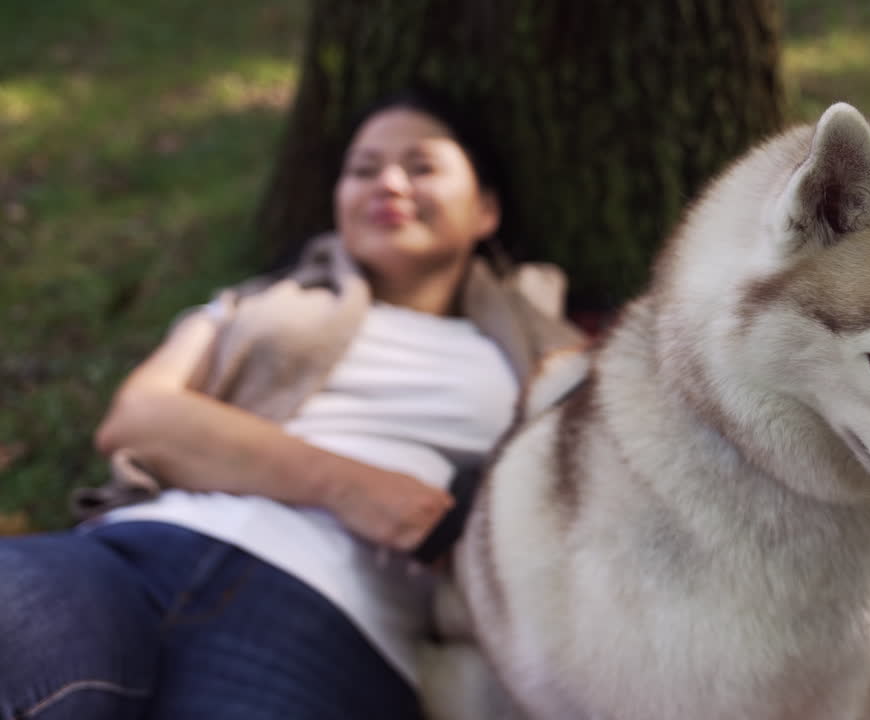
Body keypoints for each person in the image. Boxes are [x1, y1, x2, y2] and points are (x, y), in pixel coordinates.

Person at [0, 87, 582, 720]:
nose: (388, 183)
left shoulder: (542, 353)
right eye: (363, 169)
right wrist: (354, 488)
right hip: (135, 552)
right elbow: (138, 419)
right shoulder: (257, 304)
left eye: (421, 166)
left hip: (330, 619)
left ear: (486, 209)